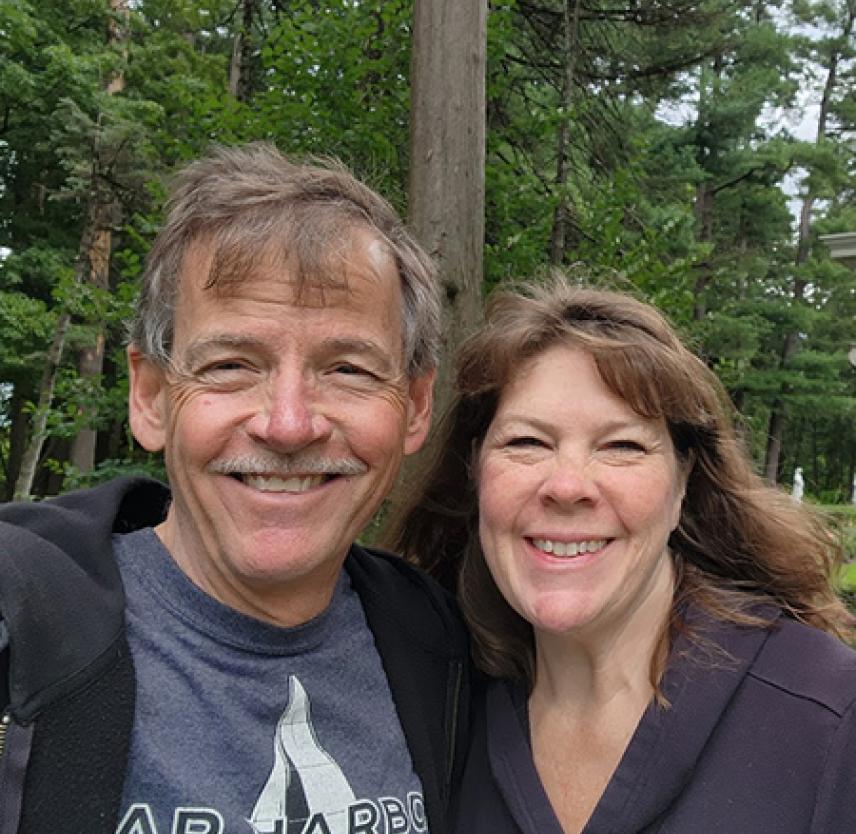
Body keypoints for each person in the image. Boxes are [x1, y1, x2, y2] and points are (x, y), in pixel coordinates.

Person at [0, 144, 471, 834]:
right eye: (230, 364)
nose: (288, 425)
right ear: (152, 396)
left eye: (346, 369)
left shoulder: (446, 653)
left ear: (417, 405)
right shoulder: (20, 630)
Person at [387, 277, 856, 833]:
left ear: (683, 484)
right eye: (527, 442)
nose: (567, 486)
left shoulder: (830, 716)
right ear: (475, 473)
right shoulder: (431, 706)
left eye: (622, 446)